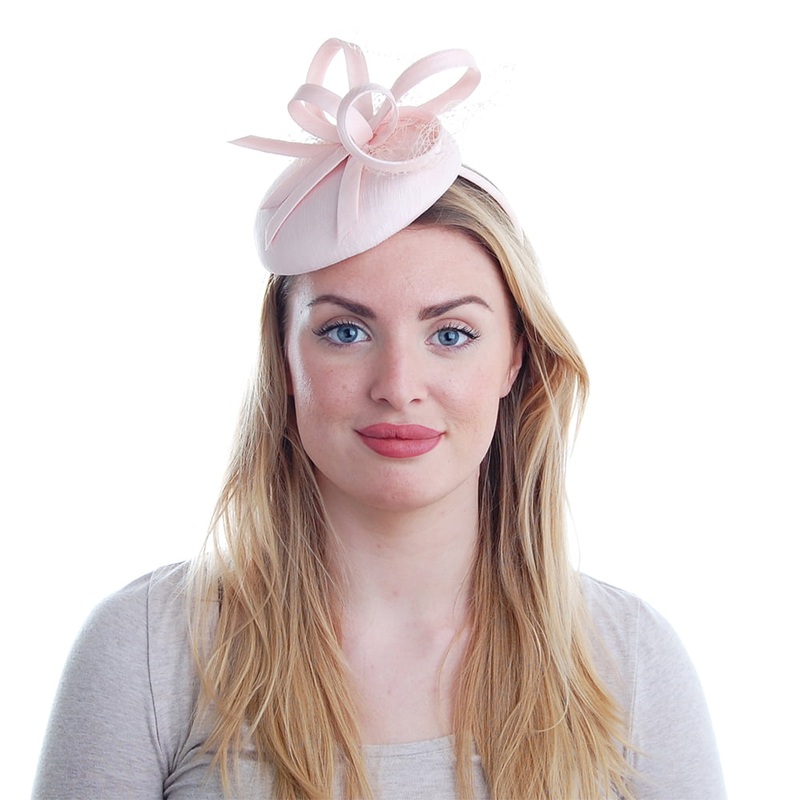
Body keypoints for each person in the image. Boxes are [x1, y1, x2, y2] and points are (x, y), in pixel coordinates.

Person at [33, 39, 726, 800]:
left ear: (515, 361)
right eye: (345, 331)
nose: (398, 387)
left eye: (451, 335)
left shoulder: (629, 660)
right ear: (284, 361)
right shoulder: (148, 649)